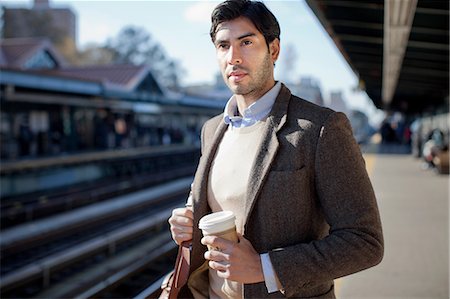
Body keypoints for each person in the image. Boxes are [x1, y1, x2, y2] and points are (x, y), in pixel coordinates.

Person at [168, 0, 384, 298]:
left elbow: (365, 241)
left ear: (273, 50)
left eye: (246, 42)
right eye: (223, 45)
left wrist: (265, 267)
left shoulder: (320, 128)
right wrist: (186, 225)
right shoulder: (212, 130)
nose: (233, 57)